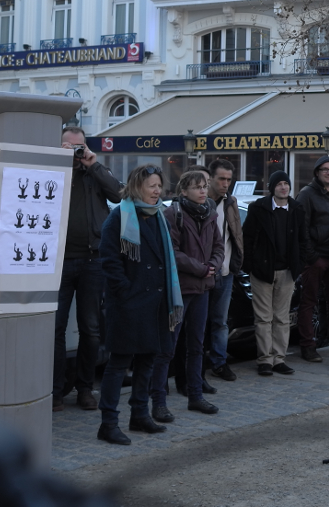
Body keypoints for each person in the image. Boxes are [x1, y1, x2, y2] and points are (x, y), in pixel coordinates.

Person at [97, 165, 181, 446]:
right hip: (129, 303)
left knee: (147, 361)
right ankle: (108, 423)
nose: (157, 191)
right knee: (119, 363)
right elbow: (109, 261)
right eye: (152, 186)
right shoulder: (119, 216)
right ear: (137, 187)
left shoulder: (159, 217)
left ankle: (139, 414)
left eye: (159, 186)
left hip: (155, 302)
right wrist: (126, 293)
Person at [54, 126, 122, 413]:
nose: (75, 151)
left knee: (91, 329)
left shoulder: (93, 172)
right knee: (55, 329)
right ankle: (55, 390)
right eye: (68, 146)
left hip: (93, 260)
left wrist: (93, 165)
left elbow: (118, 194)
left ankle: (85, 388)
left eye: (78, 146)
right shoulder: (52, 172)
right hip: (57, 261)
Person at [150, 171, 222, 422]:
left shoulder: (210, 214)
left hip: (202, 288)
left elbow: (218, 247)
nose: (203, 191)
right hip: (180, 289)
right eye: (196, 187)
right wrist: (201, 268)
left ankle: (195, 395)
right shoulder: (173, 214)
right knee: (167, 348)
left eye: (204, 187)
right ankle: (158, 401)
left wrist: (213, 264)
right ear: (183, 191)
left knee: (197, 346)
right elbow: (173, 252)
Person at [242, 171, 308, 377]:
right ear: (272, 187)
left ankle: (279, 359)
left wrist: (300, 265)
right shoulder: (258, 208)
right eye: (279, 184)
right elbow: (247, 239)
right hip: (262, 271)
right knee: (263, 318)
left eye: (286, 184)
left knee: (282, 318)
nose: (283, 187)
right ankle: (264, 360)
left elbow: (304, 240)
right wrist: (250, 266)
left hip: (287, 272)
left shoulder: (297, 209)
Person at [295, 156, 329, 363]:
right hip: (316, 258)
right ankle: (308, 346)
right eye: (324, 169)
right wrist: (312, 256)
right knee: (309, 302)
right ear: (316, 172)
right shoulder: (306, 194)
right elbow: (301, 228)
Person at [205, 159, 243, 384]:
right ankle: (196, 364)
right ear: (210, 178)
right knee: (197, 322)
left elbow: (236, 236)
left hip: (226, 272)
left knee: (220, 321)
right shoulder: (201, 201)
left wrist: (236, 263)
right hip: (203, 272)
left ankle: (219, 363)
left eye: (229, 179)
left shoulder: (231, 202)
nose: (225, 184)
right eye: (221, 178)